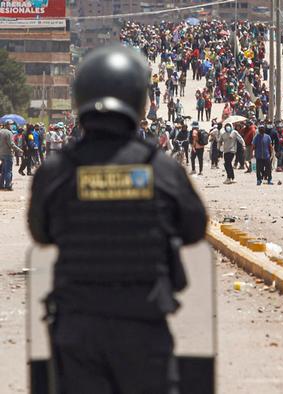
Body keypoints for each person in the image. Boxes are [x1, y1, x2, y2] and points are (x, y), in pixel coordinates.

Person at [27, 44, 207, 394]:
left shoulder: (57, 169)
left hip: (77, 327)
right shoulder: (160, 168)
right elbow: (195, 227)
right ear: (139, 100)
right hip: (143, 325)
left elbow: (41, 233)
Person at [0, 119, 22, 190]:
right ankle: (8, 185)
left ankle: (1, 185)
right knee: (8, 170)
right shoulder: (9, 133)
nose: (12, 126)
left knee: (3, 170)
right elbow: (11, 144)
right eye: (11, 124)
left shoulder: (0, 131)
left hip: (1, 154)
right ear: (7, 125)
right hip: (8, 154)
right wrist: (19, 150)